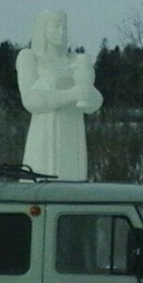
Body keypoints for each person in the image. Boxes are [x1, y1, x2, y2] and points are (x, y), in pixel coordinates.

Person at [16, 10, 102, 180]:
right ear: (42, 29)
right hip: (45, 137)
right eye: (55, 27)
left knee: (72, 185)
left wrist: (88, 95)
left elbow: (94, 100)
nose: (61, 32)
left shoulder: (76, 62)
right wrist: (71, 94)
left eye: (64, 27)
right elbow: (31, 99)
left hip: (72, 137)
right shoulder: (30, 58)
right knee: (43, 183)